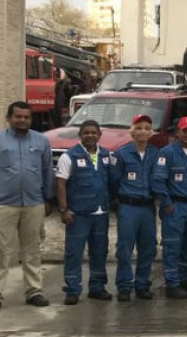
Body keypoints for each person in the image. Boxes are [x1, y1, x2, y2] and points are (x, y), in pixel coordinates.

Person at [0, 101, 56, 313]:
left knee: (32, 250)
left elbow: (48, 171)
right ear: (9, 118)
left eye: (26, 117)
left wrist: (48, 199)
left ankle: (34, 292)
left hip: (34, 204)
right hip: (3, 204)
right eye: (18, 116)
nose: (22, 120)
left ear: (31, 119)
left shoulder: (41, 141)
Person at [56, 119, 114, 304]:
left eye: (93, 132)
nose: (90, 135)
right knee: (74, 253)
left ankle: (97, 287)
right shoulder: (69, 156)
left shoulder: (106, 155)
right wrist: (64, 209)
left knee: (99, 251)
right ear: (80, 135)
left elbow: (112, 181)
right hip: (78, 214)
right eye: (86, 132)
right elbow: (60, 183)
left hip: (101, 213)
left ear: (99, 135)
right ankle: (72, 290)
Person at [152, 116, 187, 299]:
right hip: (175, 205)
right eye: (185, 131)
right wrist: (166, 203)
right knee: (173, 245)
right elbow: (158, 181)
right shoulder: (167, 153)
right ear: (178, 132)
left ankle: (184, 277)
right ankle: (172, 283)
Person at [112, 114, 159, 301]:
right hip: (128, 206)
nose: (143, 131)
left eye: (147, 128)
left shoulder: (156, 153)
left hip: (148, 207)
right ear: (132, 132)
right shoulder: (121, 153)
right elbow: (114, 180)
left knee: (148, 248)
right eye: (139, 128)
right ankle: (124, 286)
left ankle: (142, 284)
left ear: (151, 132)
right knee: (124, 248)